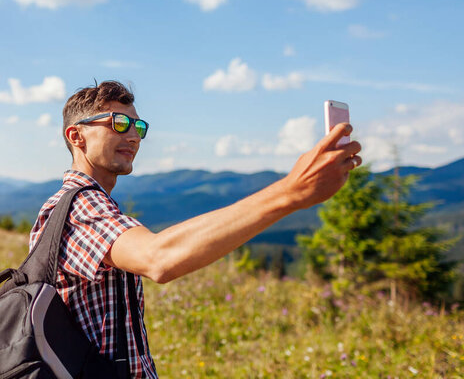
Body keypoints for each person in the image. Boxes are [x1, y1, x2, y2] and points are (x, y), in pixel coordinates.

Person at [29, 80, 362, 378]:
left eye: (138, 126)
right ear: (77, 136)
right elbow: (159, 258)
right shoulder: (80, 208)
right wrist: (292, 191)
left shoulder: (87, 205)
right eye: (118, 123)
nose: (133, 135)